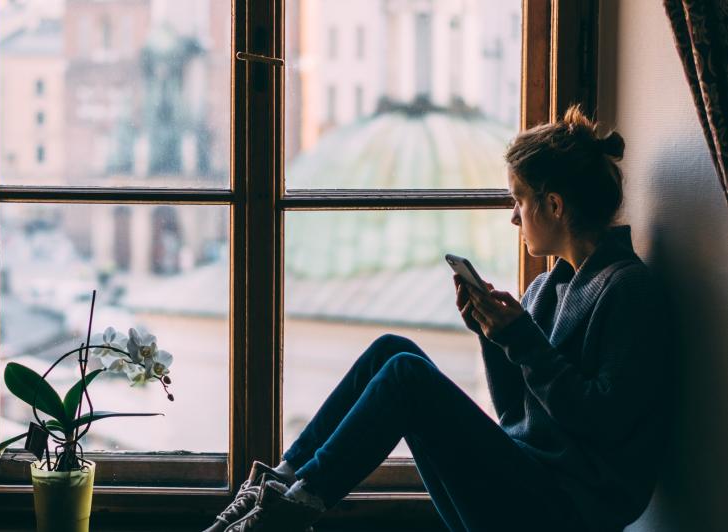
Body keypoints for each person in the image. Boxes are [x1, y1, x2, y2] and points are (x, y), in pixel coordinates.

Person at [203, 105, 666, 532]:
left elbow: (604, 423)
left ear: (555, 206)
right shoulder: (548, 289)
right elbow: (515, 416)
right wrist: (493, 335)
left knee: (407, 375)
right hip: (530, 482)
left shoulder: (626, 288)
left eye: (518, 200)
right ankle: (279, 487)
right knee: (392, 349)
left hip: (567, 509)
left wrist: (521, 339)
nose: (513, 217)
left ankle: (287, 515)